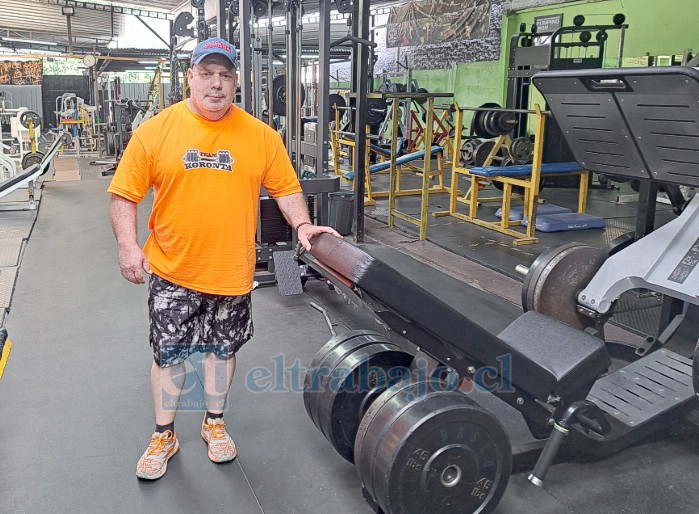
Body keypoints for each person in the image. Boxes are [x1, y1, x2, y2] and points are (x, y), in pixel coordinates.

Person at [107, 37, 340, 480]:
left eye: (225, 75)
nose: (216, 84)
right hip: (172, 267)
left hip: (230, 270)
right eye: (207, 73)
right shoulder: (156, 131)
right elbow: (123, 194)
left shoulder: (261, 136)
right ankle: (164, 434)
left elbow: (286, 188)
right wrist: (126, 245)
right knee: (170, 355)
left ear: (236, 82)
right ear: (190, 77)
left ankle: (214, 425)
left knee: (221, 350)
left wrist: (303, 226)